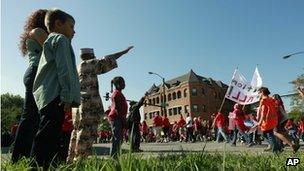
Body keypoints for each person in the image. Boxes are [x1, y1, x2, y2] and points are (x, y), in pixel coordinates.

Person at [31, 9, 80, 169]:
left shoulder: (50, 40)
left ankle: (45, 164)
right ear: (59, 24)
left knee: (48, 131)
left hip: (47, 94)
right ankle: (37, 164)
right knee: (48, 133)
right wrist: (67, 95)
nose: (74, 31)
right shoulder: (61, 40)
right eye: (71, 26)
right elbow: (64, 69)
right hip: (56, 95)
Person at [67, 46, 133, 161]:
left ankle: (71, 159)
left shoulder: (77, 67)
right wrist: (124, 52)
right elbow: (108, 59)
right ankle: (80, 162)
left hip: (78, 106)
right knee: (86, 134)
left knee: (76, 133)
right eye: (93, 56)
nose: (95, 58)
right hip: (88, 106)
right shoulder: (88, 64)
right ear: (89, 56)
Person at [11, 9, 48, 163]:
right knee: (29, 117)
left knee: (33, 117)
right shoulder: (37, 31)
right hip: (35, 73)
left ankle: (25, 156)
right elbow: (52, 48)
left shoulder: (37, 32)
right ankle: (18, 157)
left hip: (38, 74)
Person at [108, 76, 128, 158]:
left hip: (119, 118)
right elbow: (117, 109)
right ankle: (114, 157)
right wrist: (123, 120)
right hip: (117, 118)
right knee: (117, 138)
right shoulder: (116, 94)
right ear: (118, 84)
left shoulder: (118, 93)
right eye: (123, 83)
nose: (124, 84)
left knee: (119, 138)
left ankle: (116, 156)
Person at [257, 87, 279, 153]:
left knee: (269, 135)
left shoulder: (264, 100)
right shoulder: (271, 99)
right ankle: (276, 147)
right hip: (273, 119)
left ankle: (276, 149)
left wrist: (260, 122)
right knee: (266, 134)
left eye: (259, 93)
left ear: (262, 92)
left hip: (267, 120)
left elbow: (263, 112)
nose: (259, 94)